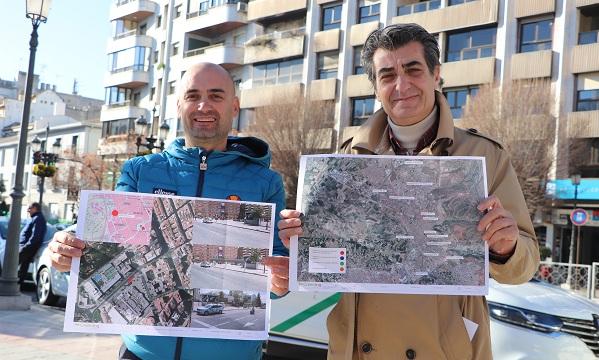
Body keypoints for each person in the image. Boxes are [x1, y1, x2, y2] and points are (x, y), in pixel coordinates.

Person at [276, 24, 540, 359]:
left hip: (445, 349)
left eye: (412, 69)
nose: (401, 85)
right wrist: (301, 240)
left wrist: (507, 247)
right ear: (376, 87)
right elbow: (329, 264)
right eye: (387, 75)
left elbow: (525, 265)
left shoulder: (484, 156)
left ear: (436, 75)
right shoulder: (345, 159)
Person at [47, 62, 287, 360]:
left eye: (215, 95)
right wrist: (66, 249)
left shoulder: (265, 182)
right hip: (142, 354)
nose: (203, 105)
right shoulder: (140, 171)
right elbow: (107, 242)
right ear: (178, 106)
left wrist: (281, 279)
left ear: (234, 106)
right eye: (192, 95)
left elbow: (279, 270)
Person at [18, 202, 47, 285]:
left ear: (35, 208)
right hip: (26, 247)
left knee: (12, 265)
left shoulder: (38, 218)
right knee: (23, 266)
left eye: (30, 208)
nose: (28, 210)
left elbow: (36, 236)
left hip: (27, 248)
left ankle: (13, 284)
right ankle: (19, 283)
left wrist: (25, 247)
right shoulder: (35, 218)